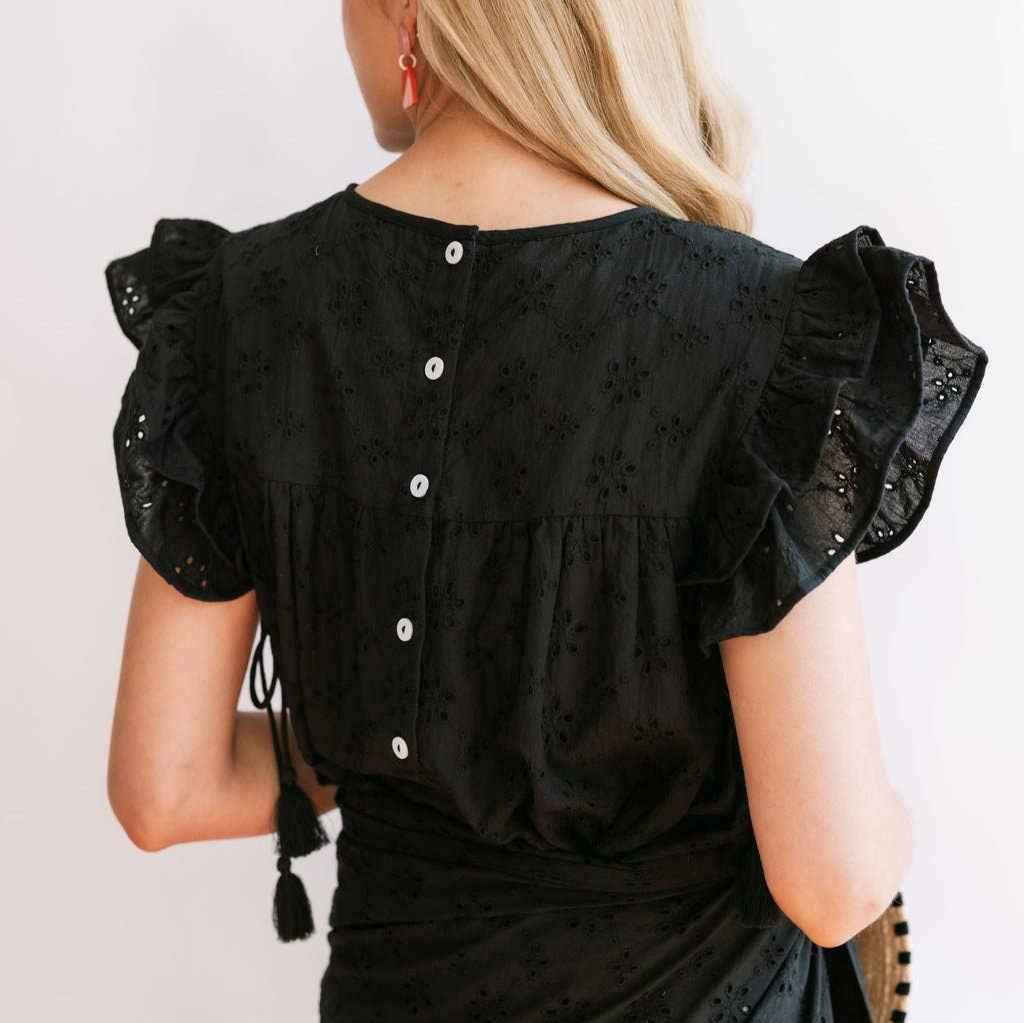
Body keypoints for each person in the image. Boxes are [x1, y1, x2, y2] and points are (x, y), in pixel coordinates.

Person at [103, 1, 988, 1020]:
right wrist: (892, 823)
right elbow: (833, 882)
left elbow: (166, 787)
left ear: (410, 15)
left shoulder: (238, 309)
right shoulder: (759, 331)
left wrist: (404, 732)